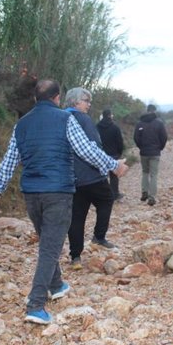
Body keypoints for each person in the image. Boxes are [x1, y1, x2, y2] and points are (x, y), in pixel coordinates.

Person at [0, 79, 129, 325]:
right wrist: (113, 165)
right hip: (58, 191)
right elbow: (86, 150)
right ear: (57, 98)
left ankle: (56, 285)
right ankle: (35, 304)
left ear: (35, 99)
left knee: (48, 241)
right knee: (49, 248)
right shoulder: (67, 120)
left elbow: (10, 158)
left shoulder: (21, 124)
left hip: (31, 193)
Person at [64, 88, 118, 271]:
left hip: (71, 178)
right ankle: (99, 236)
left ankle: (75, 256)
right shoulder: (83, 119)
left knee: (77, 216)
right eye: (86, 100)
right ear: (75, 102)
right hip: (91, 175)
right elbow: (94, 147)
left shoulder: (61, 119)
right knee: (107, 199)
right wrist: (110, 166)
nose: (89, 104)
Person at [133, 104, 167, 206]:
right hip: (155, 152)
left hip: (144, 152)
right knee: (154, 174)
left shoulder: (140, 123)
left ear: (147, 111)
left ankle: (144, 192)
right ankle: (152, 197)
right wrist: (160, 147)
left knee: (145, 172)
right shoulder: (159, 123)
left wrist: (141, 147)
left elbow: (136, 138)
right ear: (154, 111)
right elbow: (164, 137)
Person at [97, 108, 125, 201]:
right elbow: (120, 142)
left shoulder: (97, 127)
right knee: (114, 176)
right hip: (114, 154)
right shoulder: (115, 127)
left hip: (101, 155)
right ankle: (114, 194)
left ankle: (101, 195)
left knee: (102, 176)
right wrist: (119, 152)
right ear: (110, 115)